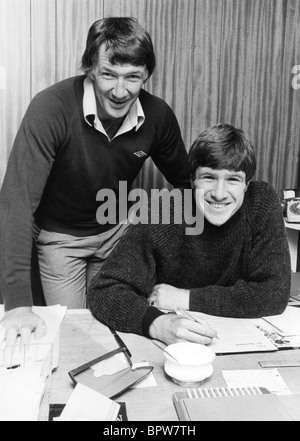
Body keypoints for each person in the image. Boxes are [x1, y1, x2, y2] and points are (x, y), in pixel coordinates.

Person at [0, 17, 189, 346]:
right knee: (76, 338)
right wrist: (17, 306)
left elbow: (188, 186)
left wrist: (156, 231)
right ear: (89, 68)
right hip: (61, 241)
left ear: (146, 75)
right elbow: (16, 202)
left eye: (133, 77)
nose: (120, 91)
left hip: (117, 233)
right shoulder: (51, 108)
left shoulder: (157, 116)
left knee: (121, 331)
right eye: (108, 74)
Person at [87, 123, 291, 346]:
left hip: (241, 341)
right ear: (192, 180)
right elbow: (104, 291)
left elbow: (274, 292)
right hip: (175, 345)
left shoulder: (261, 202)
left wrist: (185, 298)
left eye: (232, 179)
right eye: (209, 178)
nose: (219, 194)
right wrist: (158, 324)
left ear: (246, 184)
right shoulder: (164, 210)